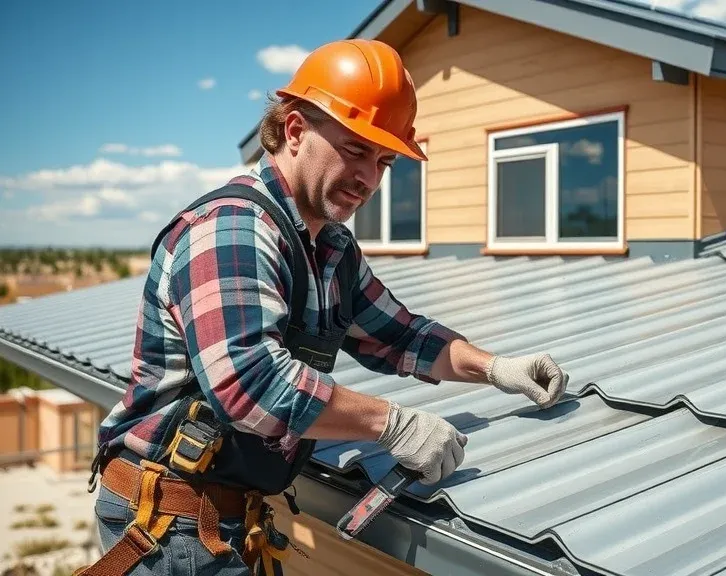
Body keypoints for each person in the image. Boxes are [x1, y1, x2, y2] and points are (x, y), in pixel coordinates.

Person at [73, 39, 568, 576]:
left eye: (383, 161)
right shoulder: (232, 228)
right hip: (172, 525)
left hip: (226, 517)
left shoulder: (330, 249)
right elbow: (248, 383)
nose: (369, 179)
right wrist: (392, 424)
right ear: (294, 130)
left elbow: (402, 336)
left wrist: (496, 368)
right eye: (356, 150)